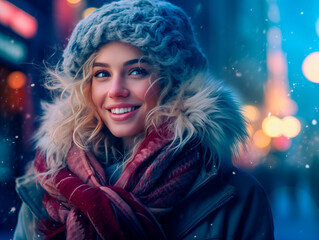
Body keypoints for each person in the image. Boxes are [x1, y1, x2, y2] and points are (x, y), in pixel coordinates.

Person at [14, 0, 274, 239]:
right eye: (102, 74)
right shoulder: (46, 191)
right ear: (86, 85)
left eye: (137, 71)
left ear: (175, 82)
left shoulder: (236, 196)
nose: (115, 90)